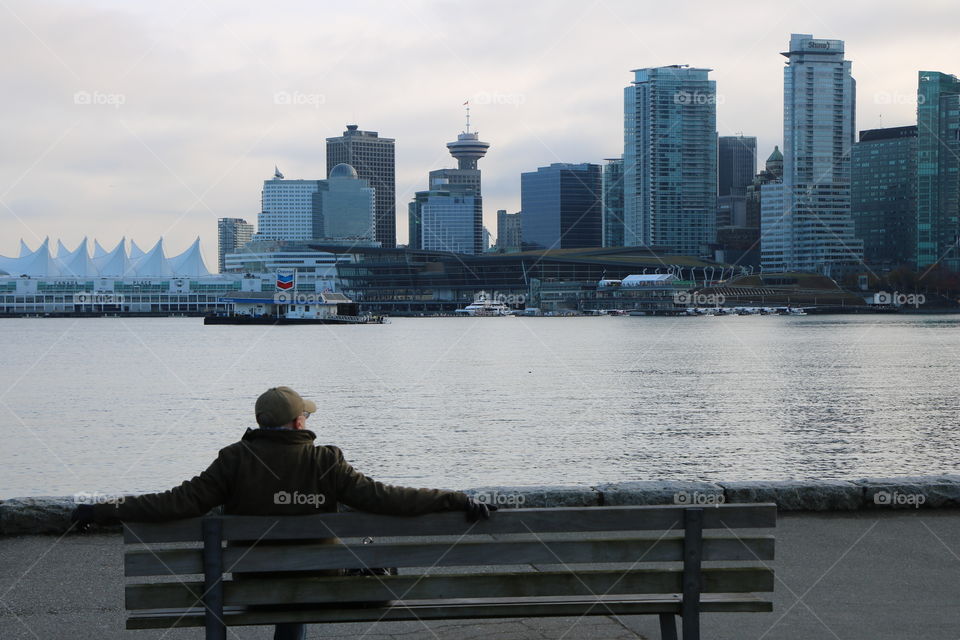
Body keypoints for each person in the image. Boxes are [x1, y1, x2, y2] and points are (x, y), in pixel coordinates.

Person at [73, 386, 495, 640]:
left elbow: (174, 502)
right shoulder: (324, 460)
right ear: (297, 424)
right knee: (335, 564)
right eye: (306, 415)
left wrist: (104, 509)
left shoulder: (233, 459)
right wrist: (454, 498)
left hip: (250, 580)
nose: (308, 419)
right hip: (316, 581)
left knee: (291, 571)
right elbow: (387, 498)